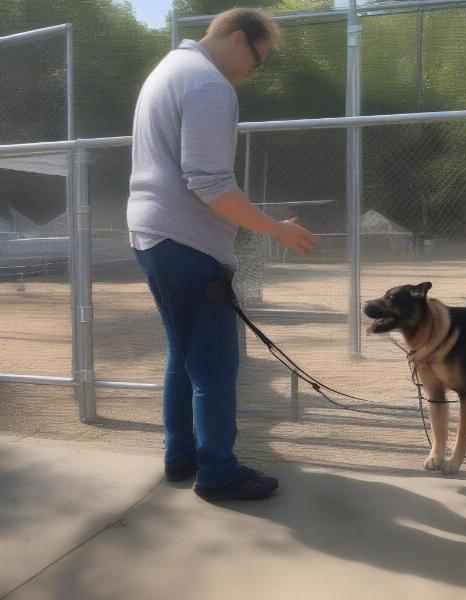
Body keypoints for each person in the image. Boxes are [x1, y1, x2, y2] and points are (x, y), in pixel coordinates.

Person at [127, 8, 317, 501]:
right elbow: (210, 182)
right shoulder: (210, 85)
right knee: (215, 366)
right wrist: (276, 229)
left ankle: (182, 456)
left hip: (152, 236)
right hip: (186, 241)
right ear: (237, 39)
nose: (257, 70)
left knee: (183, 356)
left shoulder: (169, 69)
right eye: (259, 58)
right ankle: (218, 471)